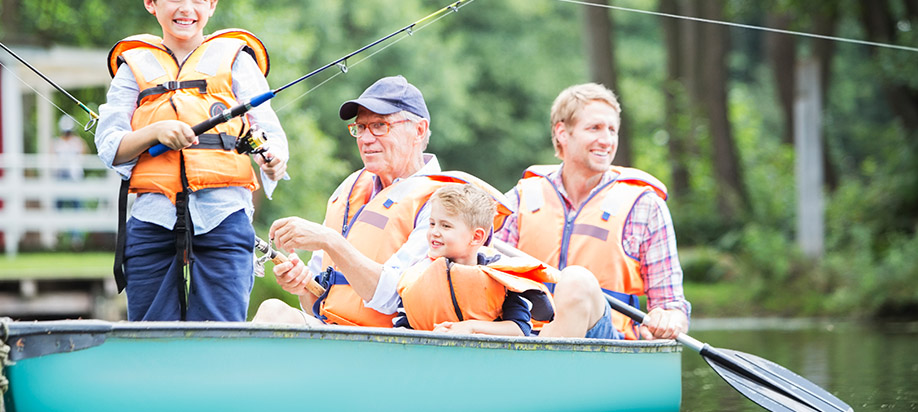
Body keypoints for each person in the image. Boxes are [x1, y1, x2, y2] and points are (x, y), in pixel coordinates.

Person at [94, 0, 289, 322]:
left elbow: (270, 131)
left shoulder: (236, 60)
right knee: (152, 332)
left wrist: (274, 159)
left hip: (225, 213)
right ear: (151, 1)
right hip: (153, 217)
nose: (187, 9)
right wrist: (156, 132)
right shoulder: (133, 68)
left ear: (213, 3)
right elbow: (110, 145)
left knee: (220, 328)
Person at [254, 75, 507, 327]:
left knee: (272, 313)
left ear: (419, 130)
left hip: (392, 343)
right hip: (336, 335)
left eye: (379, 126)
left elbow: (392, 296)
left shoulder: (443, 202)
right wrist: (302, 285)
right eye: (360, 128)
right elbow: (315, 306)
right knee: (273, 312)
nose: (365, 138)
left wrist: (328, 240)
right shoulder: (350, 187)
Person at [494, 83, 690, 340]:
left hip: (607, 341)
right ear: (562, 133)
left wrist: (668, 319)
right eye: (594, 128)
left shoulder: (645, 206)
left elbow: (672, 305)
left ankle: (541, 366)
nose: (606, 140)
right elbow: (490, 278)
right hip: (527, 334)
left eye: (612, 130)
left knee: (576, 280)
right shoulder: (520, 199)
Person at [394, 184, 556, 336]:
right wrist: (432, 335)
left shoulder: (501, 278)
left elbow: (519, 329)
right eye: (432, 223)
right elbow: (403, 329)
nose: (434, 232)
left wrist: (470, 327)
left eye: (445, 226)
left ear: (476, 237)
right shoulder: (416, 277)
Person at [53, 114, 87, 248]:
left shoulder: (77, 142)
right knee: (59, 207)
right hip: (60, 176)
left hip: (74, 177)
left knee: (76, 207)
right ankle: (59, 234)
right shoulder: (57, 143)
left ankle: (76, 237)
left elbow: (83, 155)